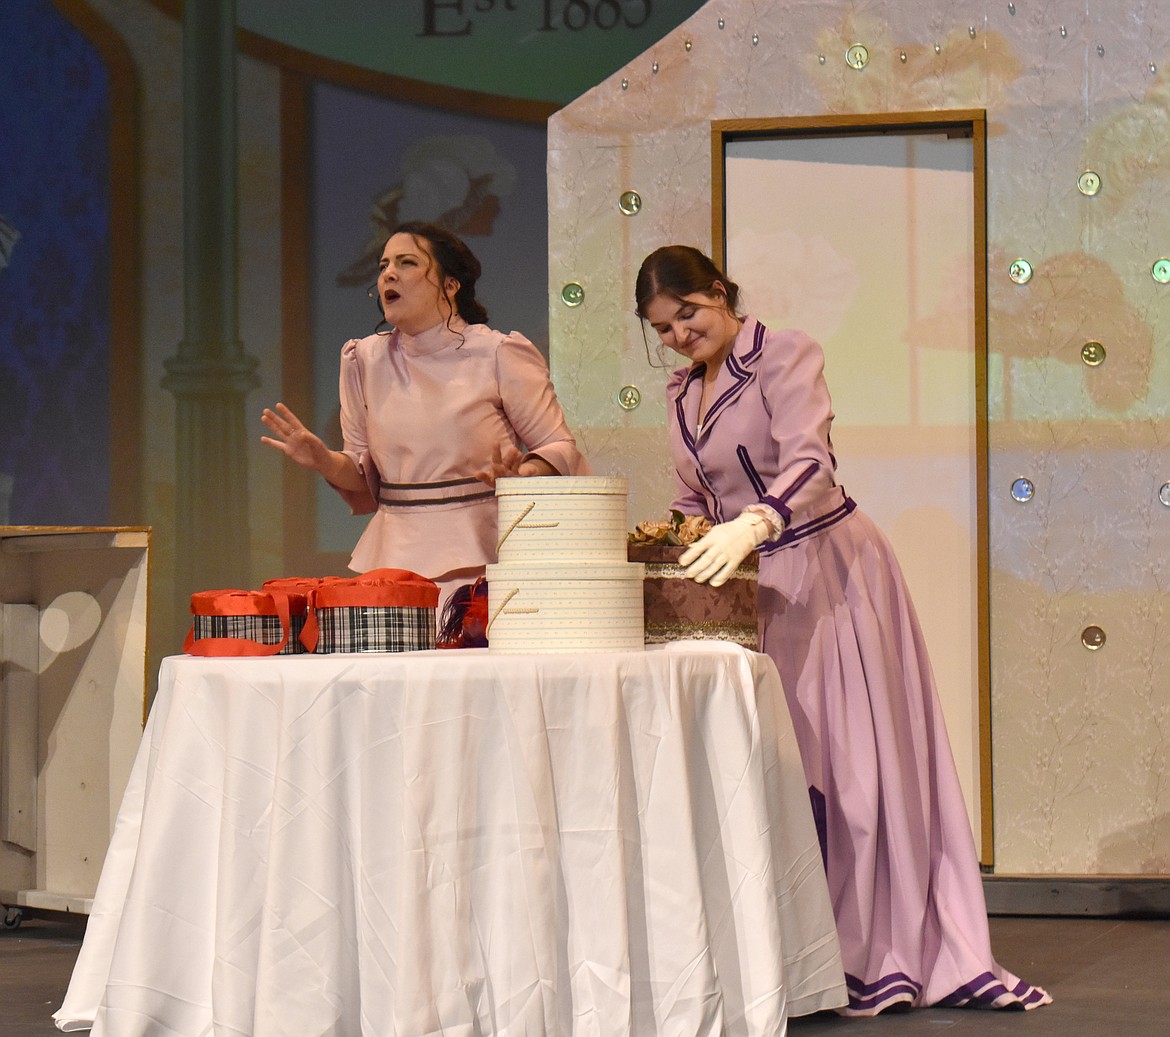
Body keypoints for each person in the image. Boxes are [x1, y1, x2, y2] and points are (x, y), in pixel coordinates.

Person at [635, 244, 1050, 1016]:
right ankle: (800, 946)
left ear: (720, 293)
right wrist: (678, 537)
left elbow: (811, 459)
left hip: (824, 568)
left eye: (686, 314)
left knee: (848, 765)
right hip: (751, 588)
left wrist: (753, 522)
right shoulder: (681, 390)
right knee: (778, 766)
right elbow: (693, 491)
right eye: (663, 328)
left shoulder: (783, 355)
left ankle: (872, 947)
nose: (679, 335)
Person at [262, 221, 589, 603]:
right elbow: (364, 476)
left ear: (451, 285)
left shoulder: (498, 353)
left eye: (407, 263)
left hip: (484, 560)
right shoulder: (363, 359)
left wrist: (522, 473)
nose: (389, 274)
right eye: (383, 265)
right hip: (393, 568)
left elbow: (559, 445)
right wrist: (324, 461)